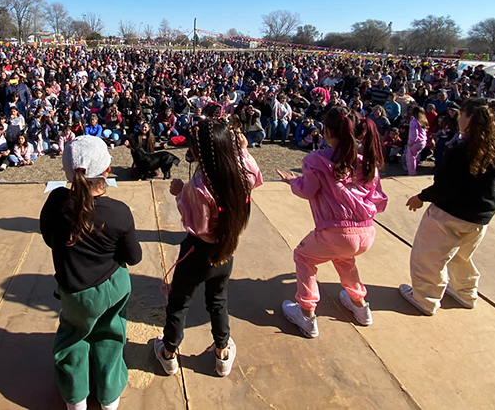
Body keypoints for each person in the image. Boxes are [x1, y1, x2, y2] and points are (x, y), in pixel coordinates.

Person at [40, 135, 142, 410]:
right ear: (107, 172)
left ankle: (76, 399)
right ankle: (109, 397)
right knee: (109, 335)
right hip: (111, 287)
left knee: (73, 338)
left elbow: (49, 238)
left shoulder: (56, 202)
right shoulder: (119, 211)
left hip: (74, 290)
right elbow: (133, 257)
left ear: (67, 172)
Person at [155, 118, 263, 377]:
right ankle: (222, 352)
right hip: (226, 250)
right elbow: (255, 176)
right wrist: (243, 150)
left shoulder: (199, 186)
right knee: (218, 301)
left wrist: (180, 193)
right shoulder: (241, 169)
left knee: (179, 301)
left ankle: (169, 352)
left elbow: (197, 226)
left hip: (198, 252)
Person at [400, 98, 495, 315]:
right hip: (479, 218)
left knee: (428, 258)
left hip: (447, 216)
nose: (459, 118)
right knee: (461, 257)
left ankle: (425, 298)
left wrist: (422, 197)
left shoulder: (460, 150)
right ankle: (465, 292)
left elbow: (445, 184)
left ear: (472, 119)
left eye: (463, 114)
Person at [275, 106, 387, 337]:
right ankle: (360, 305)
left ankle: (306, 313)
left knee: (304, 257)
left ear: (326, 131)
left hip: (335, 232)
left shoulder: (316, 160)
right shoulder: (367, 163)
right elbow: (377, 199)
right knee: (344, 258)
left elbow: (308, 190)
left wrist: (292, 182)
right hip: (366, 232)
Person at [406, 106, 428, 176]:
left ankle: (412, 173)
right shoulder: (423, 121)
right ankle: (414, 170)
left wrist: (410, 142)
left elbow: (414, 134)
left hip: (415, 142)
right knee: (416, 156)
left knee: (411, 158)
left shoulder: (413, 122)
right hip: (423, 141)